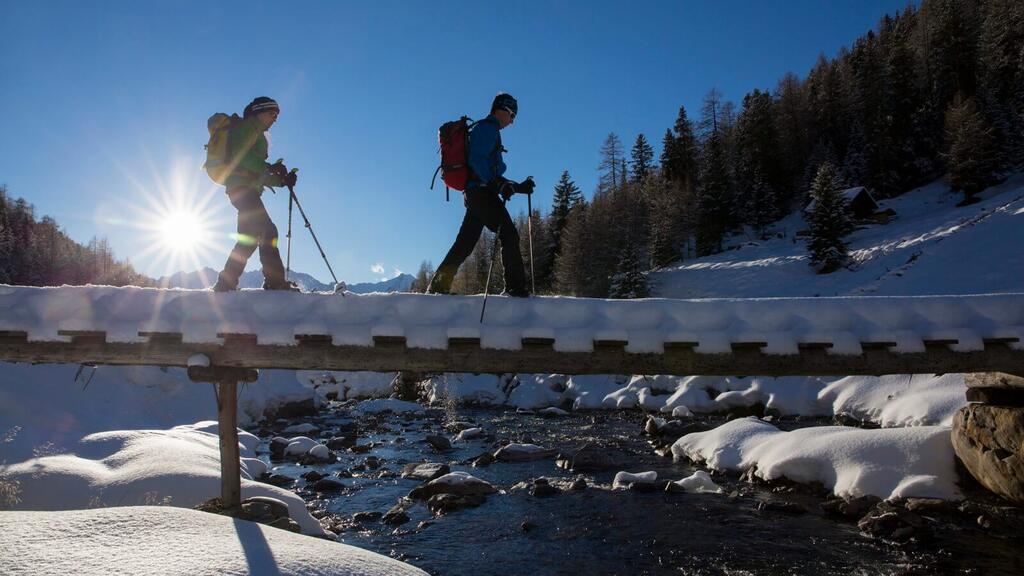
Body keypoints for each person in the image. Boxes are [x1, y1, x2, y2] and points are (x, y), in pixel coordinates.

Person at [427, 92, 535, 296]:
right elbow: (477, 160)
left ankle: (438, 286)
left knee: (465, 243)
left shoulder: (488, 129)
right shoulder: (487, 128)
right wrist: (496, 183)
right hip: (480, 193)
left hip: (475, 194)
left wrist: (519, 187)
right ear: (501, 110)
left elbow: (489, 170)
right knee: (509, 233)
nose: (512, 121)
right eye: (512, 115)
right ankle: (515, 289)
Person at [212, 96, 299, 292]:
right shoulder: (248, 127)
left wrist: (281, 180)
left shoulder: (256, 133)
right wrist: (270, 167)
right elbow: (240, 156)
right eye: (272, 113)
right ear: (258, 112)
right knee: (268, 231)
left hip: (244, 189)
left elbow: (255, 172)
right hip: (242, 189)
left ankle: (225, 283)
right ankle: (275, 282)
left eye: (277, 115)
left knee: (249, 239)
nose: (275, 118)